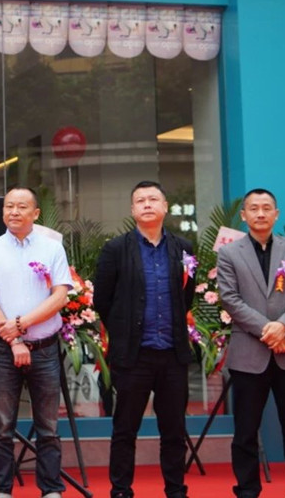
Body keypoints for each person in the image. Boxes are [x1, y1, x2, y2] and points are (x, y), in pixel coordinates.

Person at [92, 180, 196, 498]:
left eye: (153, 199)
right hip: (133, 356)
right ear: (132, 209)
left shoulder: (184, 248)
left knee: (174, 431)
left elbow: (187, 296)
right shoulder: (115, 249)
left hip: (172, 354)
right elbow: (102, 300)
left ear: (165, 207)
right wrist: (123, 331)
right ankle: (121, 490)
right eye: (140, 200)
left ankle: (176, 490)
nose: (147, 204)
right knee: (125, 429)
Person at [217, 188, 285, 498]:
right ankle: (247, 490)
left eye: (266, 208)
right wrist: (269, 330)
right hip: (249, 356)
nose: (260, 213)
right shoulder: (229, 253)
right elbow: (230, 299)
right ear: (244, 215)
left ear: (276, 214)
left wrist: (284, 327)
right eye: (254, 208)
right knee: (245, 431)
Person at [0, 187, 71, 498]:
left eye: (22, 206)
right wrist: (14, 339)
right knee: (1, 425)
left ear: (35, 213)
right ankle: (1, 490)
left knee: (48, 426)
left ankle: (51, 489)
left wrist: (20, 325)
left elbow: (60, 297)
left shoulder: (52, 249)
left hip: (45, 348)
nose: (14, 211)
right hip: (3, 350)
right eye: (9, 206)